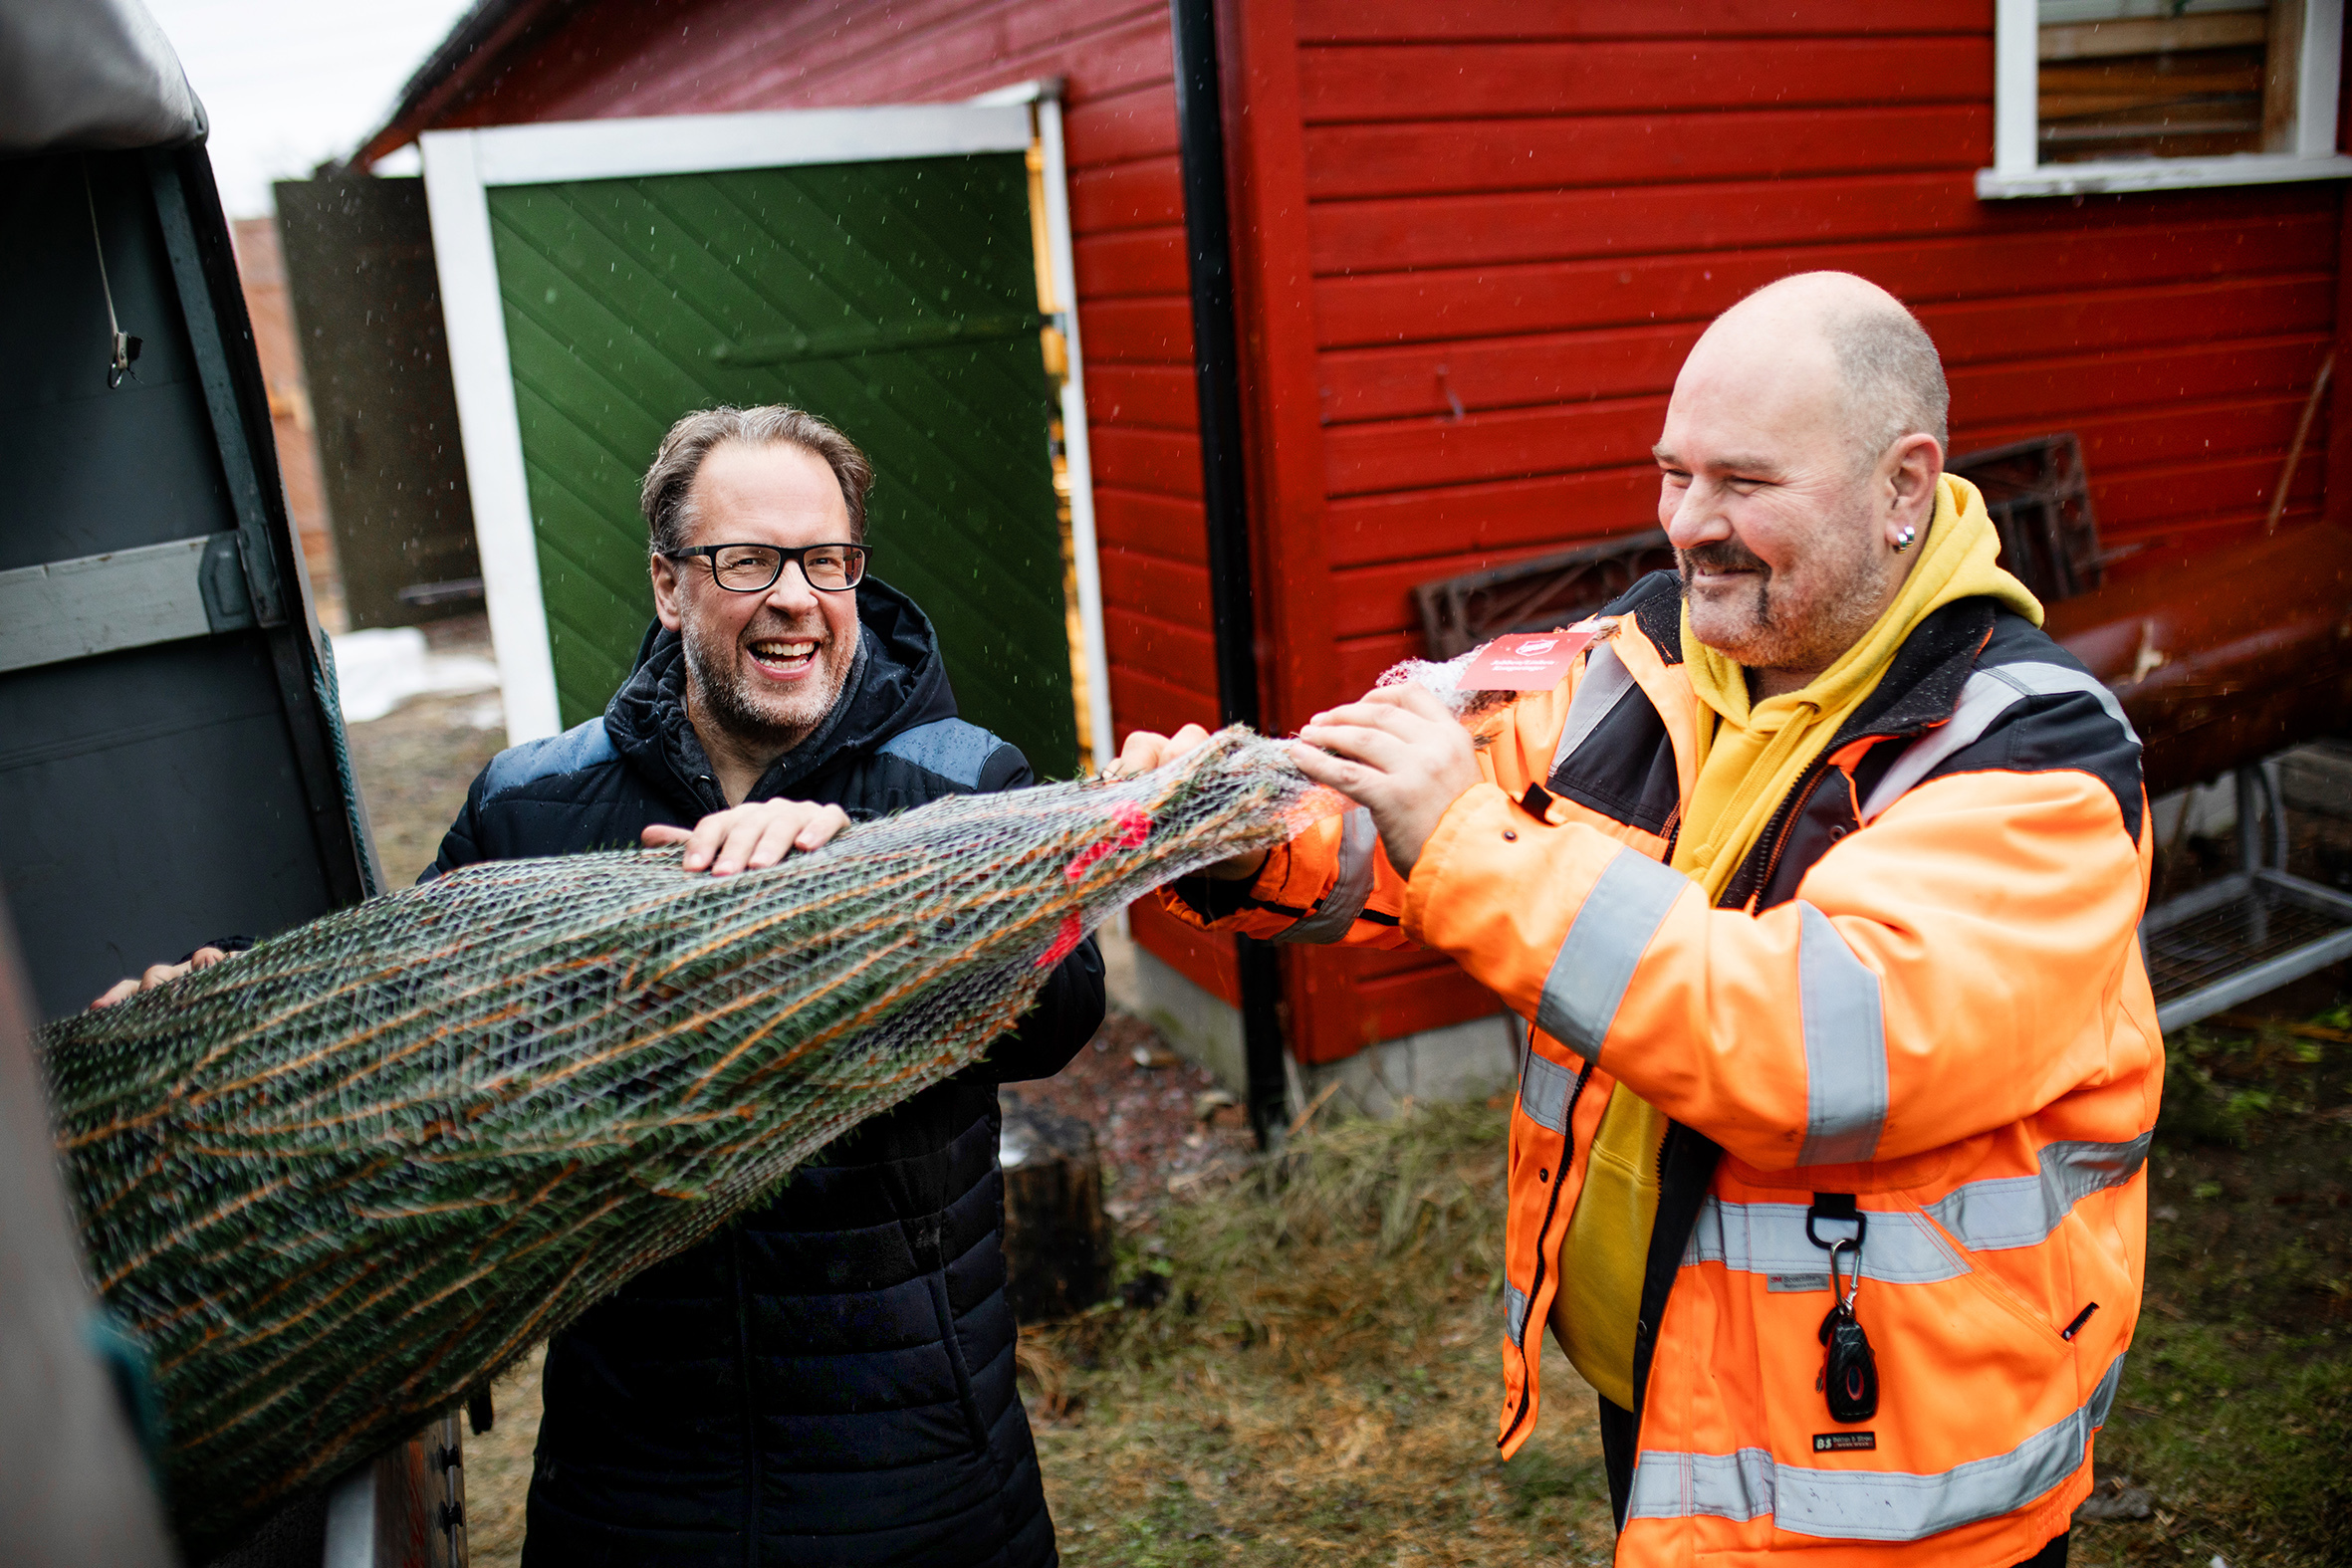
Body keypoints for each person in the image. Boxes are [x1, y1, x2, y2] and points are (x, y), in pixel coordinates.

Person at [1120, 273, 2156, 1567]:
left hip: (1898, 1476)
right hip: (1682, 1385)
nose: (1688, 524)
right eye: (1671, 473)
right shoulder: (1642, 660)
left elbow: (1811, 1048)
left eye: (1742, 482)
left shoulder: (2028, 753)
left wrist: (1467, 845)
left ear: (1903, 486)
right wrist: (1229, 834)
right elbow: (1408, 847)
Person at [432, 406, 1103, 1566]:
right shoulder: (530, 807)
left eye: (826, 560)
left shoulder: (961, 787)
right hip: (633, 1478)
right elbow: (423, 1056)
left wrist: (863, 881)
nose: (795, 596)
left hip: (912, 1466)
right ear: (667, 586)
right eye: (746, 561)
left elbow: (1059, 1012)